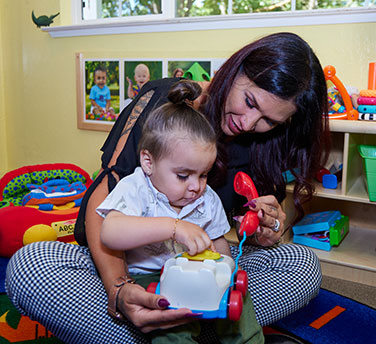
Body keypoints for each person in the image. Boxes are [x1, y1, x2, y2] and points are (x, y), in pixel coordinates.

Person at [6, 32, 328, 343]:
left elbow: (234, 239)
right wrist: (120, 291)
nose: (248, 123)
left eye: (269, 121)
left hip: (196, 272)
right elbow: (103, 209)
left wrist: (262, 230)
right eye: (249, 102)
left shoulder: (261, 141)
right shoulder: (164, 102)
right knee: (30, 267)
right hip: (128, 266)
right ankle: (169, 327)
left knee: (302, 264)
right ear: (238, 67)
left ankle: (178, 329)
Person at [97, 80, 264, 343]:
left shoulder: (206, 198)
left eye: (204, 174)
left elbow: (219, 241)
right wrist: (173, 227)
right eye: (183, 175)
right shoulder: (136, 187)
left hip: (200, 273)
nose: (196, 186)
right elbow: (110, 232)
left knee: (240, 304)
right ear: (148, 162)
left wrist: (225, 271)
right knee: (173, 329)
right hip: (149, 276)